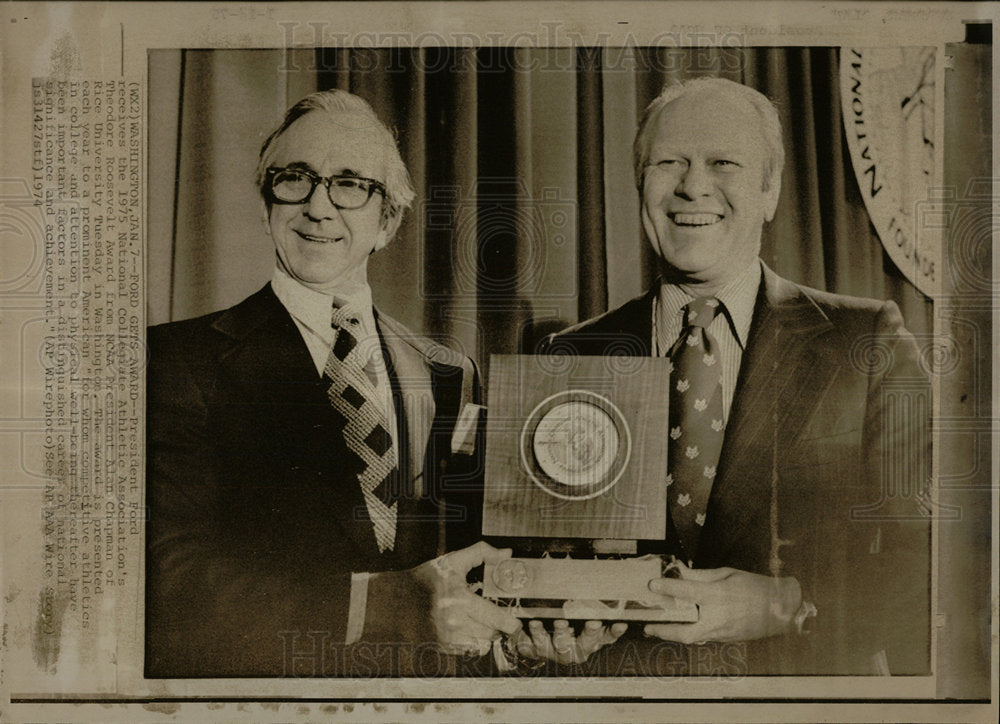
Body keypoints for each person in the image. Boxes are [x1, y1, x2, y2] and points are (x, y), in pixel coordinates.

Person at [538, 77, 931, 675]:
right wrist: (544, 635)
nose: (694, 186)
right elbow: (542, 565)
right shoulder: (568, 355)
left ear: (770, 190)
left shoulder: (868, 341)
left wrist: (790, 603)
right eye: (669, 162)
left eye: (724, 162)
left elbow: (938, 561)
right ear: (639, 183)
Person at [145, 90, 532, 677]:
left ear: (389, 220)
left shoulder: (449, 373)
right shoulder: (175, 361)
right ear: (266, 203)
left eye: (350, 184)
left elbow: (467, 568)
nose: (318, 207)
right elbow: (169, 581)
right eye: (295, 179)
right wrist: (381, 605)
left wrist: (517, 638)